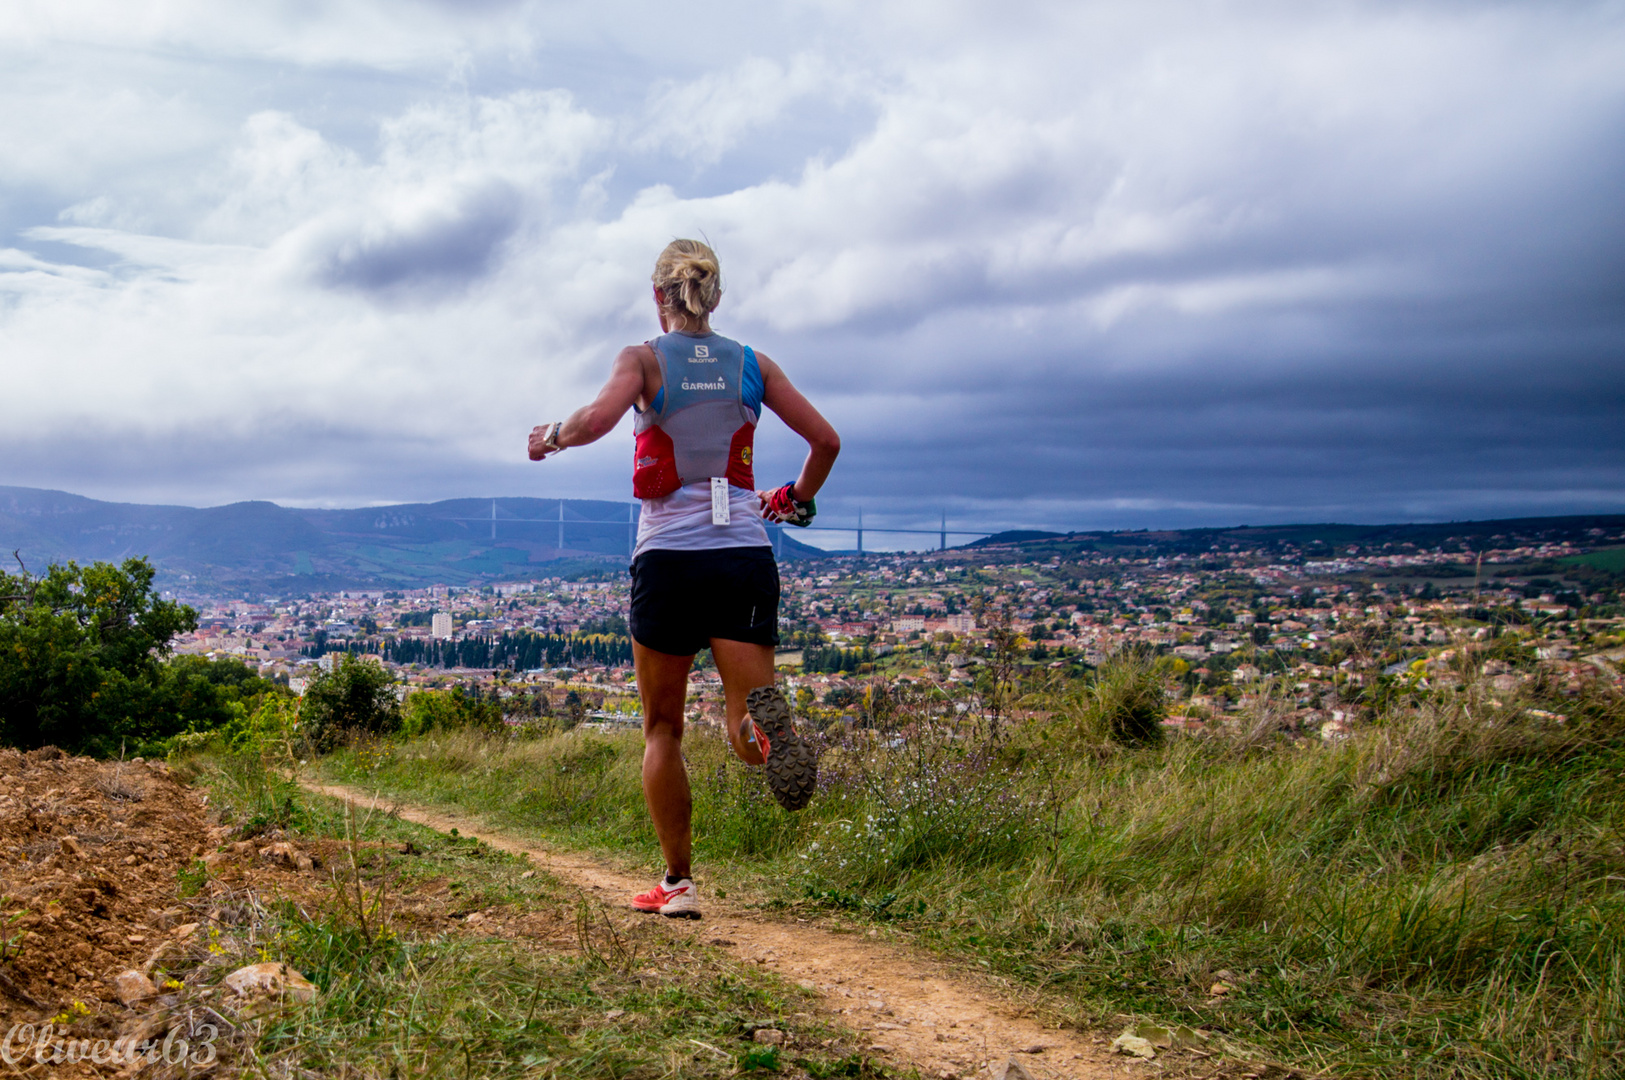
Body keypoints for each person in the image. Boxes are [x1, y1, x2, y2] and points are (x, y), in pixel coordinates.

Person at [527, 238, 840, 920]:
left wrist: (549, 434)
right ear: (716, 296)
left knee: (662, 729)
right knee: (745, 713)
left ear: (656, 295)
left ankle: (677, 884)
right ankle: (769, 736)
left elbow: (597, 420)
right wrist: (798, 499)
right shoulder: (755, 364)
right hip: (742, 555)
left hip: (668, 557)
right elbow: (826, 442)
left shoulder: (642, 359)